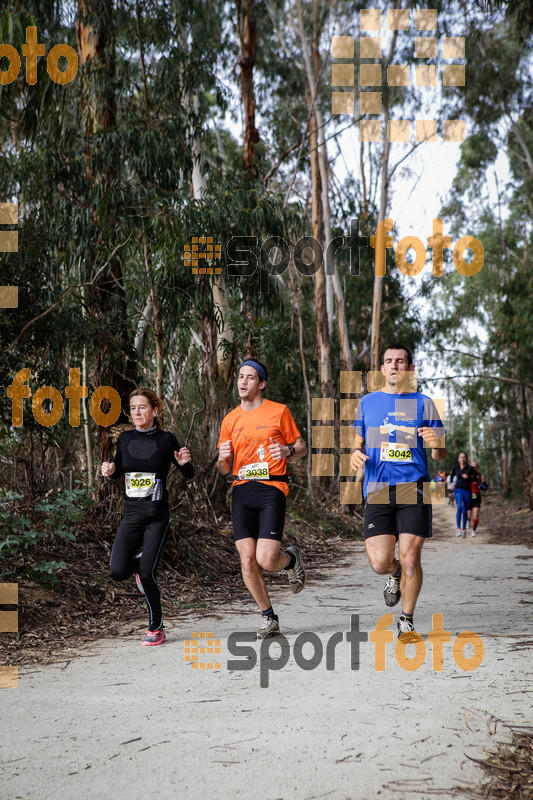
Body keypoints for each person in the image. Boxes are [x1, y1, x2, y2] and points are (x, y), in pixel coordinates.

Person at [350, 344, 447, 638]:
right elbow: (357, 442)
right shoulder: (367, 403)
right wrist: (355, 453)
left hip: (413, 487)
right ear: (382, 369)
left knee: (409, 558)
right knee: (381, 562)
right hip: (378, 487)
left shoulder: (425, 403)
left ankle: (407, 618)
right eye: (389, 361)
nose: (394, 366)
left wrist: (436, 443)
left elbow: (440, 455)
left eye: (401, 361)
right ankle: (393, 575)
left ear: (410, 369)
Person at [216, 359, 307, 639]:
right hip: (242, 490)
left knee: (267, 560)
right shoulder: (230, 419)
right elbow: (223, 468)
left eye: (250, 378)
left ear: (262, 383)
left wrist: (288, 451)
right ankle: (269, 618)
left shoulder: (279, 412)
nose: (243, 382)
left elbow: (302, 446)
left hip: (272, 488)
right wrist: (221, 460)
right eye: (241, 377)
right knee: (247, 561)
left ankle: (290, 560)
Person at [101, 388, 194, 646]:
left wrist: (185, 463)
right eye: (133, 408)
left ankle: (156, 627)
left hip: (157, 517)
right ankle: (142, 565)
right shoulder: (125, 439)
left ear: (155, 410)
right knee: (118, 571)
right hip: (131, 516)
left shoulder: (166, 440)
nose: (137, 412)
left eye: (142, 407)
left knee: (147, 571)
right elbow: (119, 469)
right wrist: (109, 470)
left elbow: (188, 474)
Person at [452, 452, 475, 538]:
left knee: (465, 511)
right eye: (461, 457)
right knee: (459, 508)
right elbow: (452, 475)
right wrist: (451, 483)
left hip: (467, 491)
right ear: (458, 459)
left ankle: (464, 529)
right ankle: (458, 529)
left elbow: (475, 477)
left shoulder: (470, 468)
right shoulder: (456, 468)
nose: (462, 459)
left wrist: (468, 477)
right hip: (458, 490)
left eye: (464, 457)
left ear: (466, 459)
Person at [468, 460, 486, 537]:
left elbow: (485, 487)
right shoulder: (467, 474)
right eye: (472, 466)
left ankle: (473, 530)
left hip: (476, 496)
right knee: (468, 515)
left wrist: (482, 485)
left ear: (477, 467)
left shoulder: (480, 475)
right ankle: (468, 522)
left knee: (476, 513)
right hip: (468, 496)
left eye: (475, 466)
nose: (473, 468)